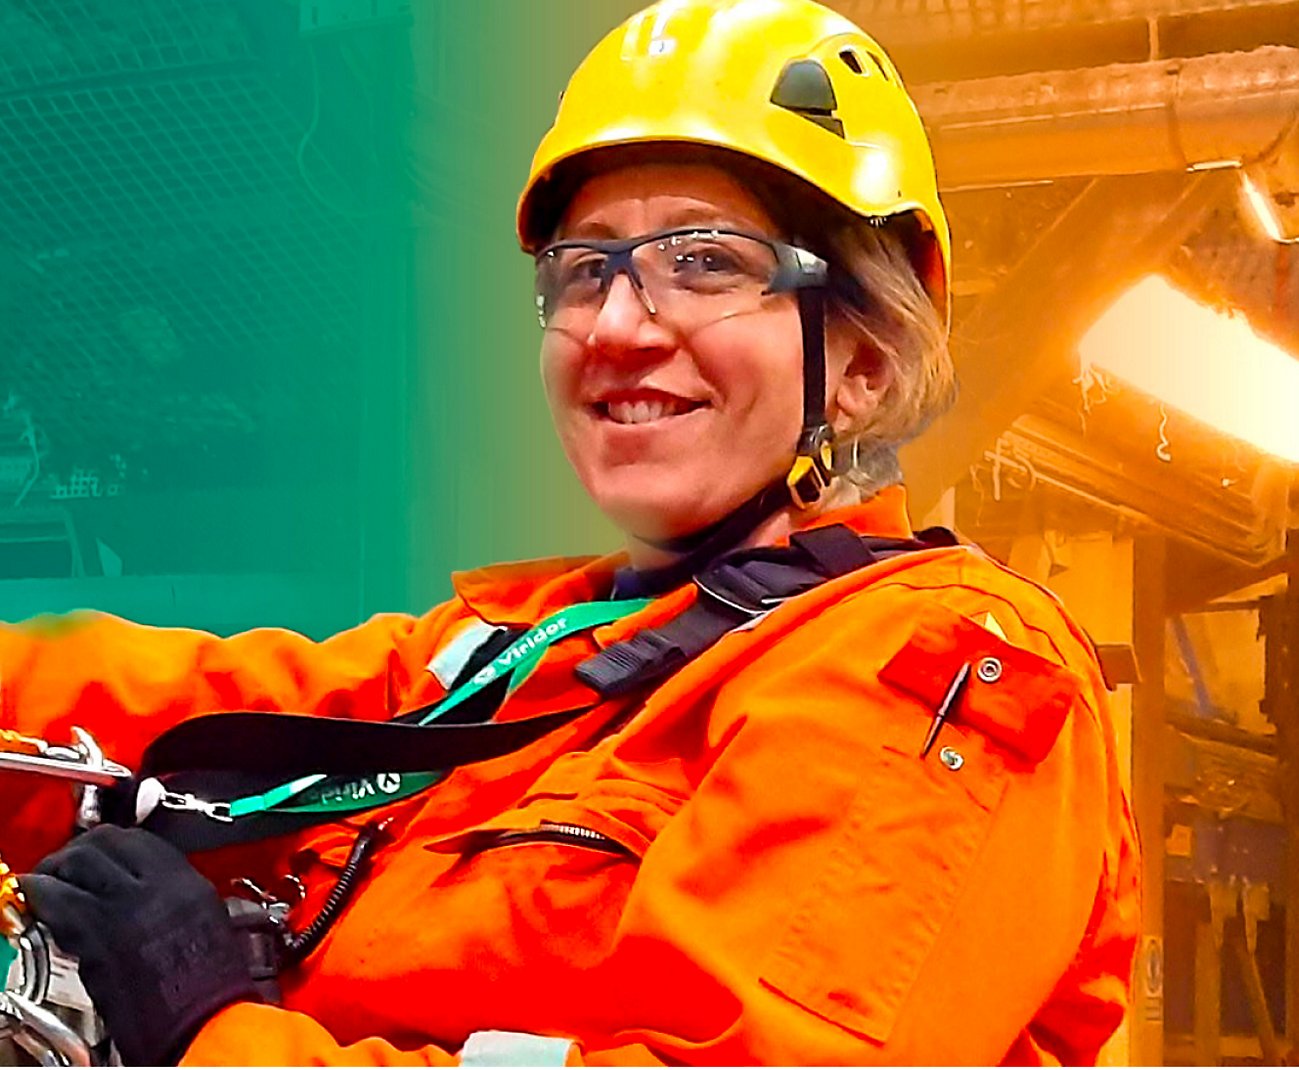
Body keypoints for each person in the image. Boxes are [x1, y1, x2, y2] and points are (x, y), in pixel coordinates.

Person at [0, 0, 1139, 1064]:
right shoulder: (533, 650)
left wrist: (213, 1027)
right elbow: (193, 702)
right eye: (586, 268)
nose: (617, 324)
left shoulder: (940, 669)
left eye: (706, 261)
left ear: (862, 359)